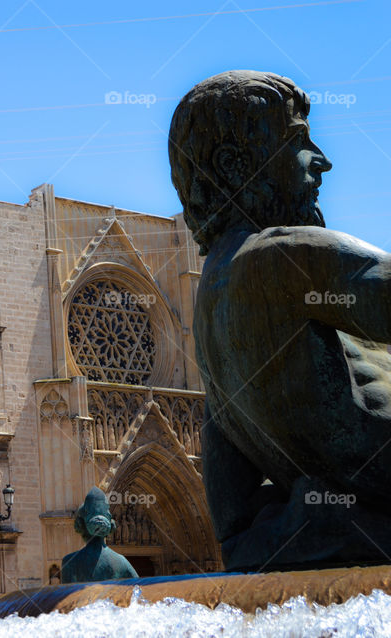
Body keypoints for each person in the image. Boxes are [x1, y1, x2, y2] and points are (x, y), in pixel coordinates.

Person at [170, 70, 391, 569]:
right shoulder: (282, 255)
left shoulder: (209, 317)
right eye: (298, 141)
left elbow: (231, 521)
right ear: (235, 165)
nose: (322, 161)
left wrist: (295, 531)